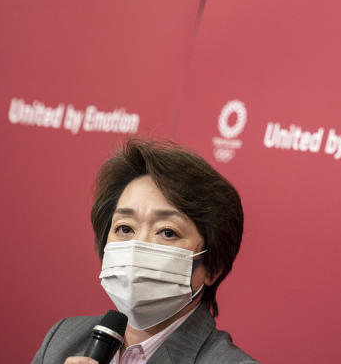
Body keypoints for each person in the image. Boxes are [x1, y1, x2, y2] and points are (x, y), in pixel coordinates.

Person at [32, 138, 258, 364]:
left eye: (167, 232)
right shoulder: (62, 340)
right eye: (125, 228)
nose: (137, 246)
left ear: (213, 267)